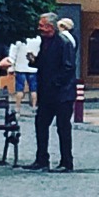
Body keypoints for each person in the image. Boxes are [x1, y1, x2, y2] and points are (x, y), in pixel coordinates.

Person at [28, 11, 78, 172]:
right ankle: (42, 159)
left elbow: (69, 67)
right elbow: (45, 63)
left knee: (63, 128)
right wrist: (34, 61)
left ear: (50, 26)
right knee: (41, 124)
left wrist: (55, 83)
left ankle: (66, 162)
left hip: (62, 93)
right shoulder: (45, 41)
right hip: (47, 93)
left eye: (41, 25)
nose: (39, 28)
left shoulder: (63, 42)